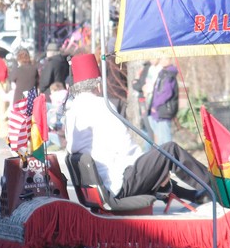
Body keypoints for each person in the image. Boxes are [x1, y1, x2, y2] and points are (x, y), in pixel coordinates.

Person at [65, 53, 210, 202]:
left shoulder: (72, 111)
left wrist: (153, 166)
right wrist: (154, 167)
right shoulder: (103, 106)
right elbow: (126, 147)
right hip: (117, 184)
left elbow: (72, 148)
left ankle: (192, 195)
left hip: (100, 182)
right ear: (97, 85)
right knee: (170, 150)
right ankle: (215, 187)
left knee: (155, 161)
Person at [147, 58, 179, 145]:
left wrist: (155, 106)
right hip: (156, 111)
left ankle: (170, 157)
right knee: (160, 139)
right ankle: (163, 157)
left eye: (165, 59)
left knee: (166, 140)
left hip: (163, 110)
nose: (162, 61)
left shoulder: (169, 75)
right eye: (161, 59)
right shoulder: (162, 73)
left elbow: (167, 93)